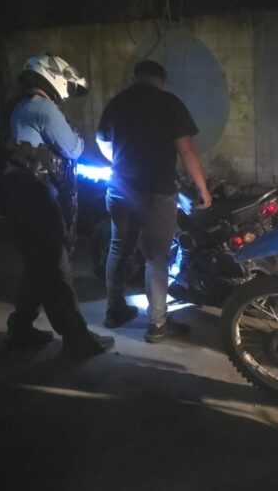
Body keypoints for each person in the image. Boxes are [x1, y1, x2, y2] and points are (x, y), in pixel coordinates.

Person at [2, 54, 114, 357]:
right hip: (36, 195)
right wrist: (76, 135)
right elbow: (73, 149)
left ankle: (20, 329)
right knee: (55, 266)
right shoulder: (44, 108)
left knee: (36, 267)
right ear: (52, 77)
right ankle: (77, 339)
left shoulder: (22, 106)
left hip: (20, 193)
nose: (67, 94)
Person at [96, 59, 212, 342]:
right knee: (156, 257)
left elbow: (102, 141)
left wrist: (120, 162)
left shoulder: (118, 102)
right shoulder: (169, 103)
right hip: (156, 191)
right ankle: (157, 324)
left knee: (118, 248)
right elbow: (186, 150)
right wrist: (202, 188)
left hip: (120, 187)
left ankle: (114, 310)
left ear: (135, 77)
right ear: (162, 80)